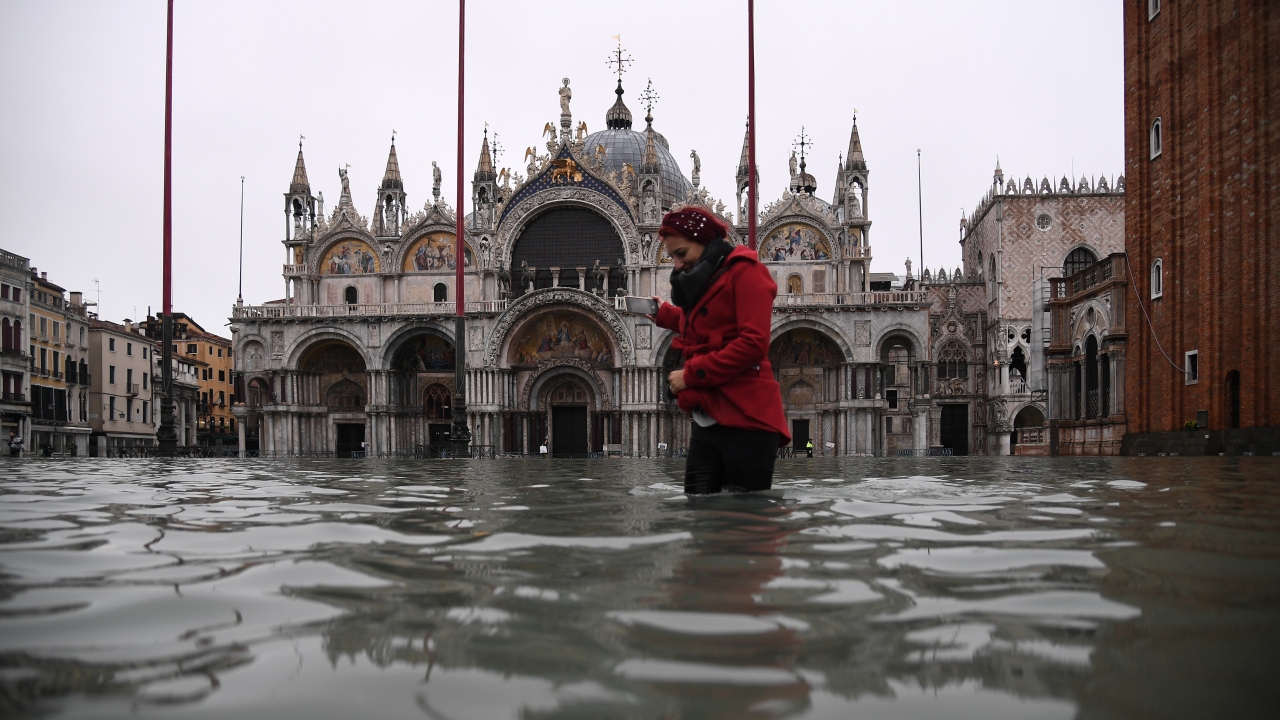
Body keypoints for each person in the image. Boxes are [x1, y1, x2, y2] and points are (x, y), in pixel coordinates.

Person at [649, 206, 789, 494]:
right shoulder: (706, 280)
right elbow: (710, 326)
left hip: (747, 417)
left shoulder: (747, 272)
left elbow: (753, 344)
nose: (676, 265)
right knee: (698, 510)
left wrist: (690, 376)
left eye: (682, 253)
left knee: (746, 519)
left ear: (704, 242)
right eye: (672, 256)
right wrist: (667, 315)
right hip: (709, 414)